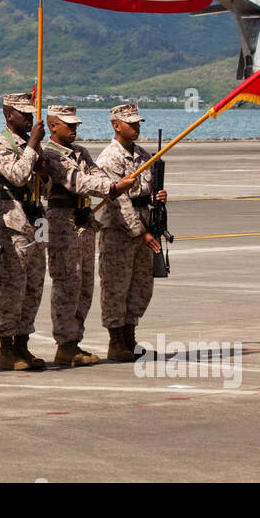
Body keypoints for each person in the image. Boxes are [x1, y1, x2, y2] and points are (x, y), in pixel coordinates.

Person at [41, 104, 134, 367]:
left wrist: (109, 185)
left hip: (83, 222)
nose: (74, 129)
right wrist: (114, 187)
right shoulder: (50, 154)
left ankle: (75, 340)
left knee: (84, 286)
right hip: (62, 222)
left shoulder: (80, 152)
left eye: (75, 124)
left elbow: (96, 175)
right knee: (66, 283)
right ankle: (65, 344)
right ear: (53, 126)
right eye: (68, 124)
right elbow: (78, 182)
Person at [95, 103, 167, 362]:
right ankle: (116, 343)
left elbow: (144, 193)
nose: (136, 127)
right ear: (116, 125)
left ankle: (130, 338)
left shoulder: (143, 156)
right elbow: (118, 202)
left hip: (144, 227)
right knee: (116, 287)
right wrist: (140, 233)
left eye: (138, 123)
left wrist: (158, 197)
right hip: (120, 233)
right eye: (131, 123)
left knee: (140, 286)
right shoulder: (108, 159)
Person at [0, 92, 48, 370]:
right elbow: (18, 176)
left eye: (31, 114)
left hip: (37, 220)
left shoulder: (32, 145)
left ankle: (23, 344)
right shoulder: (0, 143)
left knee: (34, 285)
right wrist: (33, 145)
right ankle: (6, 348)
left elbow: (42, 187)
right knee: (12, 286)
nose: (29, 118)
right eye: (23, 114)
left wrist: (43, 170)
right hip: (13, 221)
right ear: (8, 115)